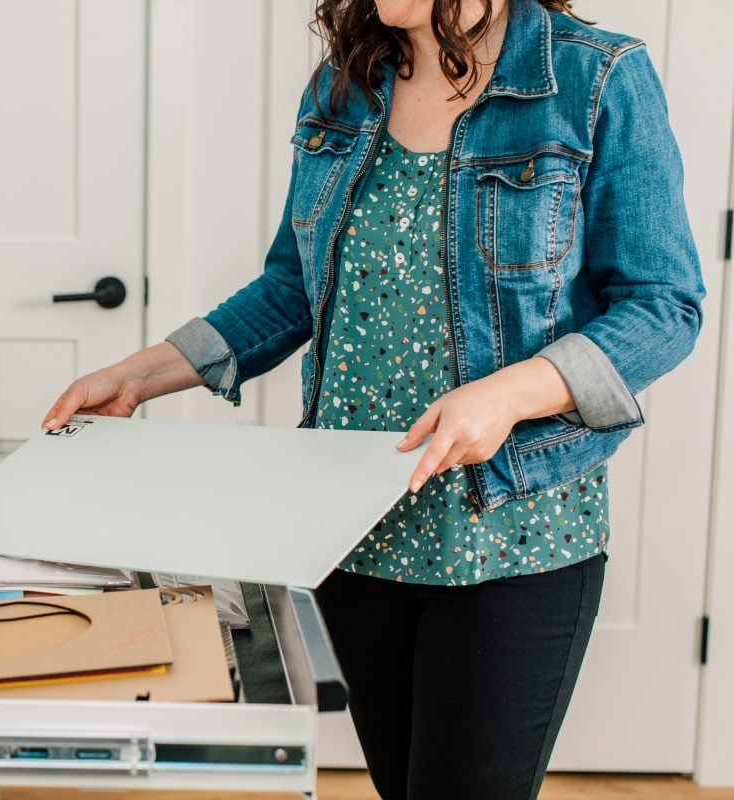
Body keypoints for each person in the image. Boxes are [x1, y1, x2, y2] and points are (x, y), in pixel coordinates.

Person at [43, 0, 704, 796]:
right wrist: (143, 374)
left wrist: (510, 393)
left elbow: (665, 304)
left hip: (515, 536)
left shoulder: (596, 78)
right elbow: (294, 288)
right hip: (356, 531)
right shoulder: (344, 86)